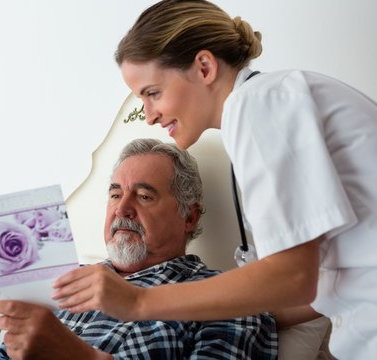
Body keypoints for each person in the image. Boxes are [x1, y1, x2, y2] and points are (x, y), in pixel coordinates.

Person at [52, 1, 377, 359]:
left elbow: (293, 278)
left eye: (153, 93)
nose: (149, 115)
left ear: (204, 67)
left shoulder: (258, 103)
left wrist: (139, 301)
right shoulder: (270, 103)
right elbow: (312, 280)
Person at [0, 138, 278, 359]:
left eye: (144, 196)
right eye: (113, 194)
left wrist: (79, 357)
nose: (121, 209)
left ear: (189, 215)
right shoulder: (64, 275)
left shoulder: (227, 296)